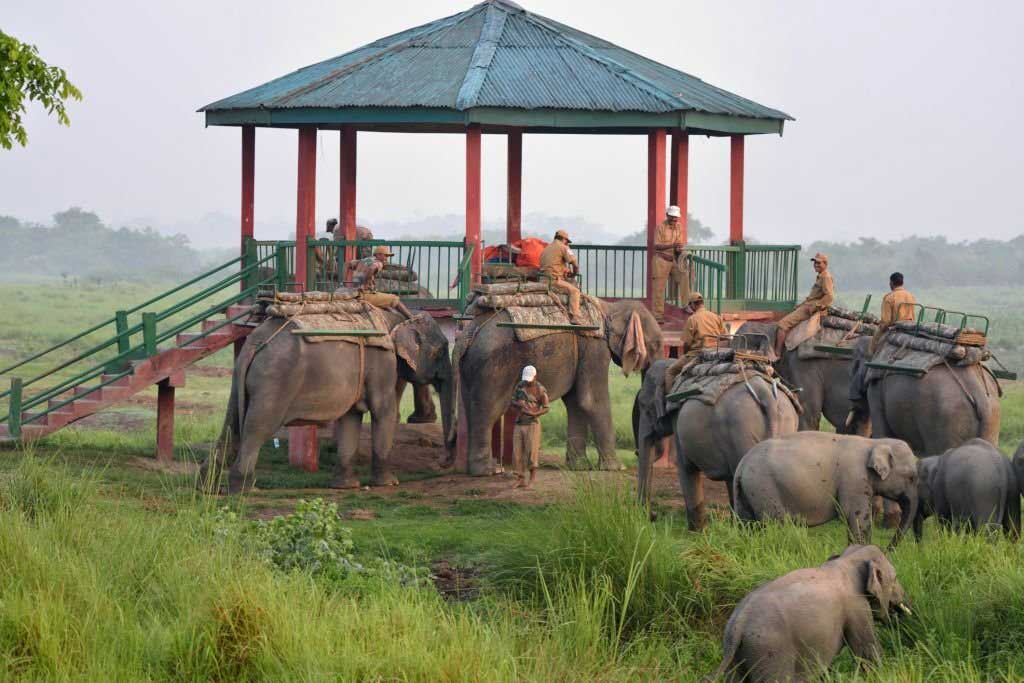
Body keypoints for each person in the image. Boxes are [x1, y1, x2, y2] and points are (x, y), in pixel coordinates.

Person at [663, 292, 728, 390]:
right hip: (716, 353)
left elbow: (687, 343)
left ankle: (669, 400)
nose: (690, 307)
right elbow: (725, 337)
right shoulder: (716, 317)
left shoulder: (692, 319)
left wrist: (685, 355)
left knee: (670, 371)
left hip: (698, 354)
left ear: (693, 304)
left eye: (690, 305)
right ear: (702, 303)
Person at [775, 252, 834, 357]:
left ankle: (777, 353)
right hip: (807, 305)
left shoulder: (826, 277)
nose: (816, 265)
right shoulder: (821, 276)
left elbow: (829, 296)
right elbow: (813, 296)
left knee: (782, 324)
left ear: (825, 264)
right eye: (815, 263)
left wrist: (815, 306)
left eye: (819, 263)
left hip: (811, 308)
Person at [348, 245, 414, 318]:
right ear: (378, 255)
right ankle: (412, 318)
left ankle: (396, 316)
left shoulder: (365, 260)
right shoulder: (378, 262)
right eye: (385, 255)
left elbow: (349, 264)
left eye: (387, 256)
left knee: (385, 304)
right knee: (395, 299)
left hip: (355, 292)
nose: (386, 258)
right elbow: (372, 269)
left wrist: (346, 282)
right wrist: (367, 279)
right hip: (364, 294)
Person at [511, 365, 549, 489]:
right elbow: (512, 401)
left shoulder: (540, 389)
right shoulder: (520, 386)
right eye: (526, 379)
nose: (527, 381)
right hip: (519, 423)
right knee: (517, 452)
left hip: (532, 424)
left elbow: (546, 408)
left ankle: (532, 480)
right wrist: (519, 404)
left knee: (531, 453)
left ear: (535, 377)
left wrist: (535, 413)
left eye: (530, 379)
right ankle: (520, 479)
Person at [651, 205, 691, 323]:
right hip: (660, 260)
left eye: (676, 218)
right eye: (672, 217)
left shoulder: (679, 227)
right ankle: (658, 317)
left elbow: (679, 243)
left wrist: (679, 249)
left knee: (684, 275)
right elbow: (656, 246)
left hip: (672, 259)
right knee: (659, 289)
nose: (674, 220)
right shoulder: (660, 227)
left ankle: (685, 304)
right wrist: (672, 245)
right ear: (667, 215)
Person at [538, 229, 583, 325]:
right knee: (575, 291)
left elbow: (554, 264)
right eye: (567, 241)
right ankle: (575, 316)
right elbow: (575, 265)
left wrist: (564, 270)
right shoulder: (564, 247)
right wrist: (574, 274)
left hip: (542, 280)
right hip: (554, 281)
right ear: (564, 239)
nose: (567, 243)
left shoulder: (547, 248)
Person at [871, 272, 916, 352]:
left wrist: (881, 328)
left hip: (896, 328)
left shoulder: (889, 297)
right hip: (910, 327)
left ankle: (871, 358)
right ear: (902, 282)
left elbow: (886, 321)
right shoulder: (911, 296)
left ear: (891, 283)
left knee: (875, 337)